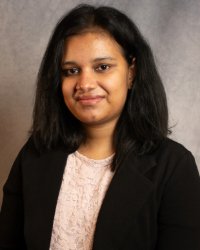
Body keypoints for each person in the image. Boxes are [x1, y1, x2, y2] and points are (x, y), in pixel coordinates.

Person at [0, 3, 200, 250]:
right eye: (71, 70)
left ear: (131, 72)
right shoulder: (35, 153)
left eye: (102, 67)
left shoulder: (174, 166)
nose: (84, 83)